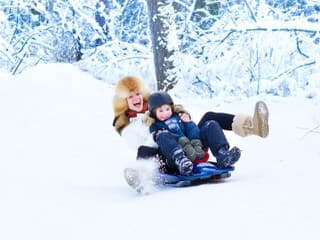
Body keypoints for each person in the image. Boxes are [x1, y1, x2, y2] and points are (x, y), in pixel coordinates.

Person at [112, 76, 269, 186]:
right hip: (168, 156)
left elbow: (175, 117)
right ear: (123, 101)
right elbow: (142, 147)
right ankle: (140, 177)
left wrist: (184, 118)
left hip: (192, 147)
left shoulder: (162, 107)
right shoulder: (129, 127)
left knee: (209, 119)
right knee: (144, 149)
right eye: (130, 96)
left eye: (137, 93)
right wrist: (156, 134)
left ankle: (248, 129)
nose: (135, 98)